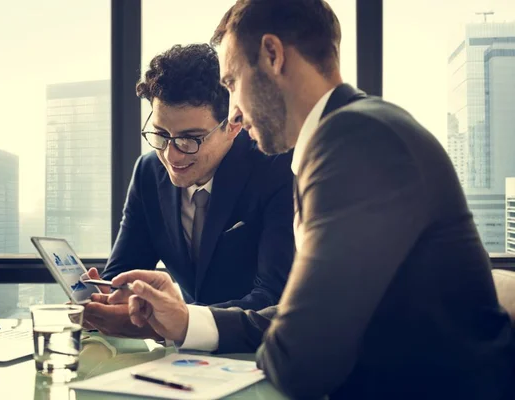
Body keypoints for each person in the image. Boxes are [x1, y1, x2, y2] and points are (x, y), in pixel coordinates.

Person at [105, 1, 515, 399]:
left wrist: (280, 338)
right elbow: (304, 319)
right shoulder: (349, 134)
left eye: (231, 83)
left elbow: (300, 360)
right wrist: (185, 319)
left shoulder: (356, 142)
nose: (233, 115)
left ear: (272, 55)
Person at [83, 44, 295, 335]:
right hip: (184, 364)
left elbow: (273, 298)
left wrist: (167, 324)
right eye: (160, 134)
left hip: (256, 356)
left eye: (190, 139)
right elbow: (123, 274)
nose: (172, 156)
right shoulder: (148, 172)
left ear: (233, 124)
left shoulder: (277, 169)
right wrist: (107, 302)